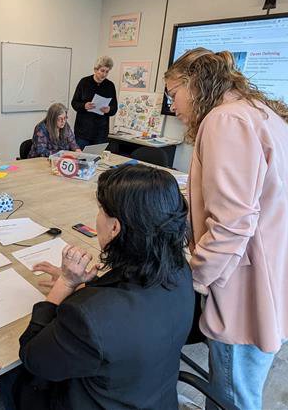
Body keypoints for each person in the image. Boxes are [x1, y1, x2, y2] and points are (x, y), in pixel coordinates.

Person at [164, 48, 288, 410]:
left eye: (174, 93)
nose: (173, 106)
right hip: (279, 265)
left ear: (196, 84)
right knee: (248, 373)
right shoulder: (265, 112)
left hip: (246, 278)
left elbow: (232, 221)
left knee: (234, 388)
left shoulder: (224, 120)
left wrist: (192, 277)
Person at [10, 164, 194, 409]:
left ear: (115, 227)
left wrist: (65, 284)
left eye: (100, 211)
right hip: (154, 397)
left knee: (13, 384)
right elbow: (129, 313)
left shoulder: (86, 316)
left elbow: (32, 356)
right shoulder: (180, 270)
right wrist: (89, 286)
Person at [70, 55, 118, 149]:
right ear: (95, 70)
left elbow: (114, 108)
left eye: (107, 72)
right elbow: (74, 103)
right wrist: (84, 106)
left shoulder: (110, 85)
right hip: (83, 131)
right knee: (81, 159)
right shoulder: (84, 82)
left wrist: (109, 109)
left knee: (97, 160)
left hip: (101, 132)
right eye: (102, 71)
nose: (104, 74)